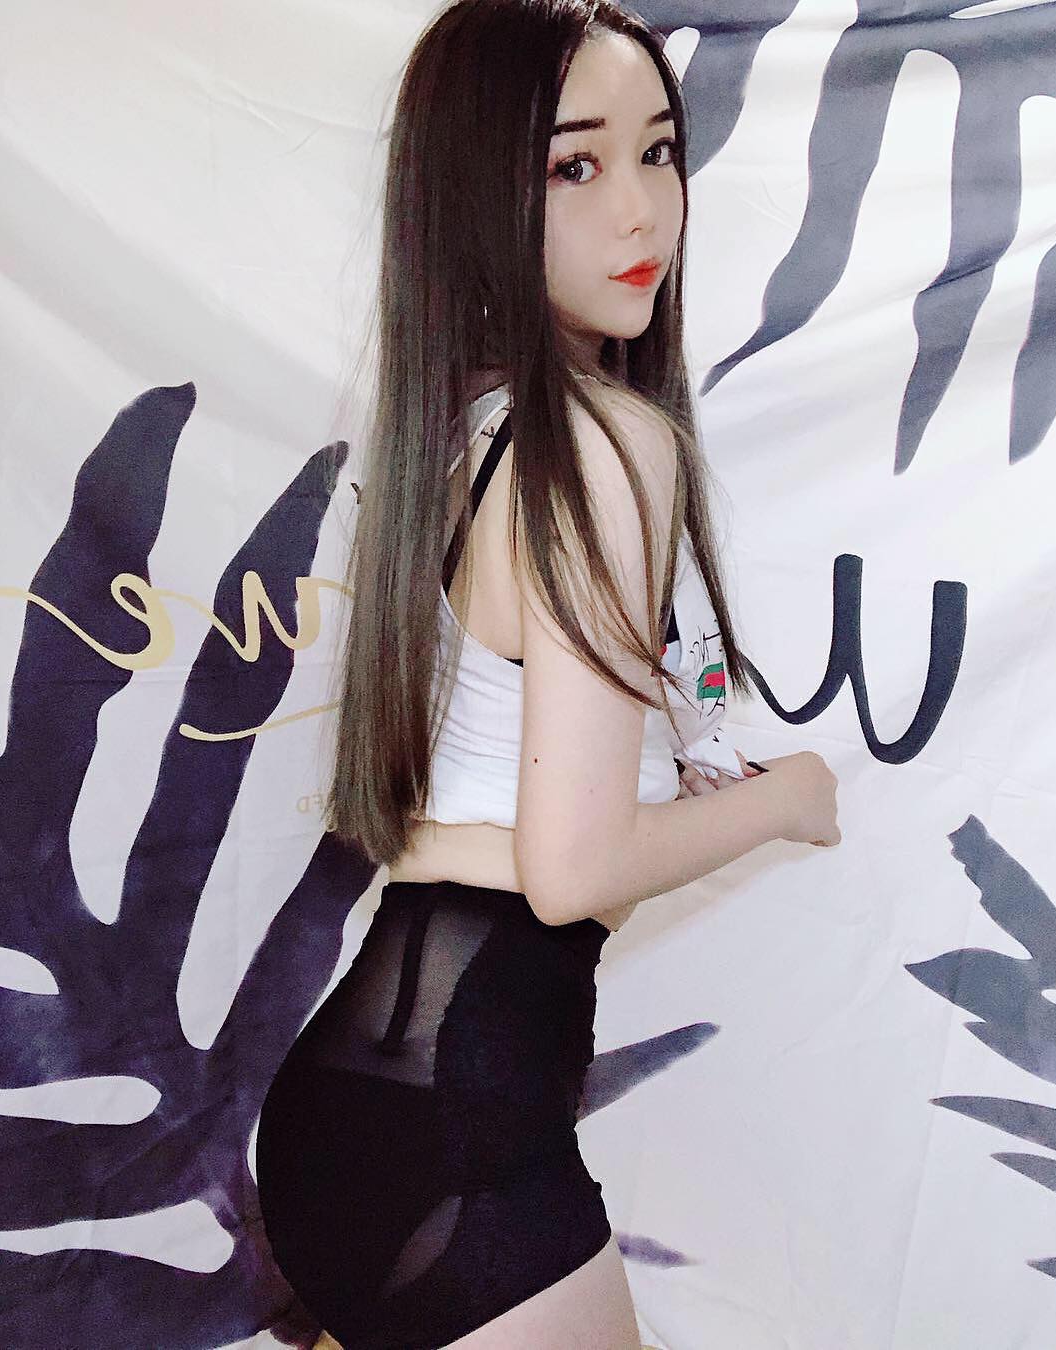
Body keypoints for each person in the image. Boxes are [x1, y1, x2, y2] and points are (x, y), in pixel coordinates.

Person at [256, 1, 841, 1346]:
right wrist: (791, 796)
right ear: (476, 196)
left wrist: (700, 763)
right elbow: (570, 868)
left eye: (659, 152)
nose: (640, 210)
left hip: (360, 1114)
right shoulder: (605, 447)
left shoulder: (472, 432)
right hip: (459, 1142)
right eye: (575, 166)